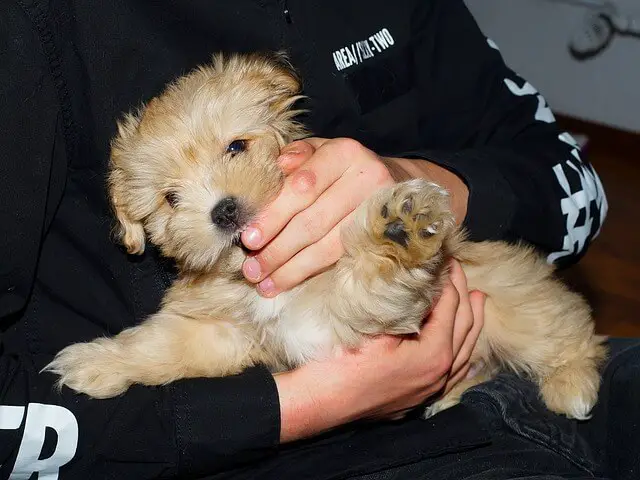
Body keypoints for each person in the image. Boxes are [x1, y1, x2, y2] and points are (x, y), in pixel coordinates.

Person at [1, 0, 637, 479]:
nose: (218, 203)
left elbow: (572, 182)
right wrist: (309, 403)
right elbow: (197, 340)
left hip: (497, 355)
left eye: (234, 150)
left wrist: (420, 177)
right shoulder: (34, 30)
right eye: (171, 196)